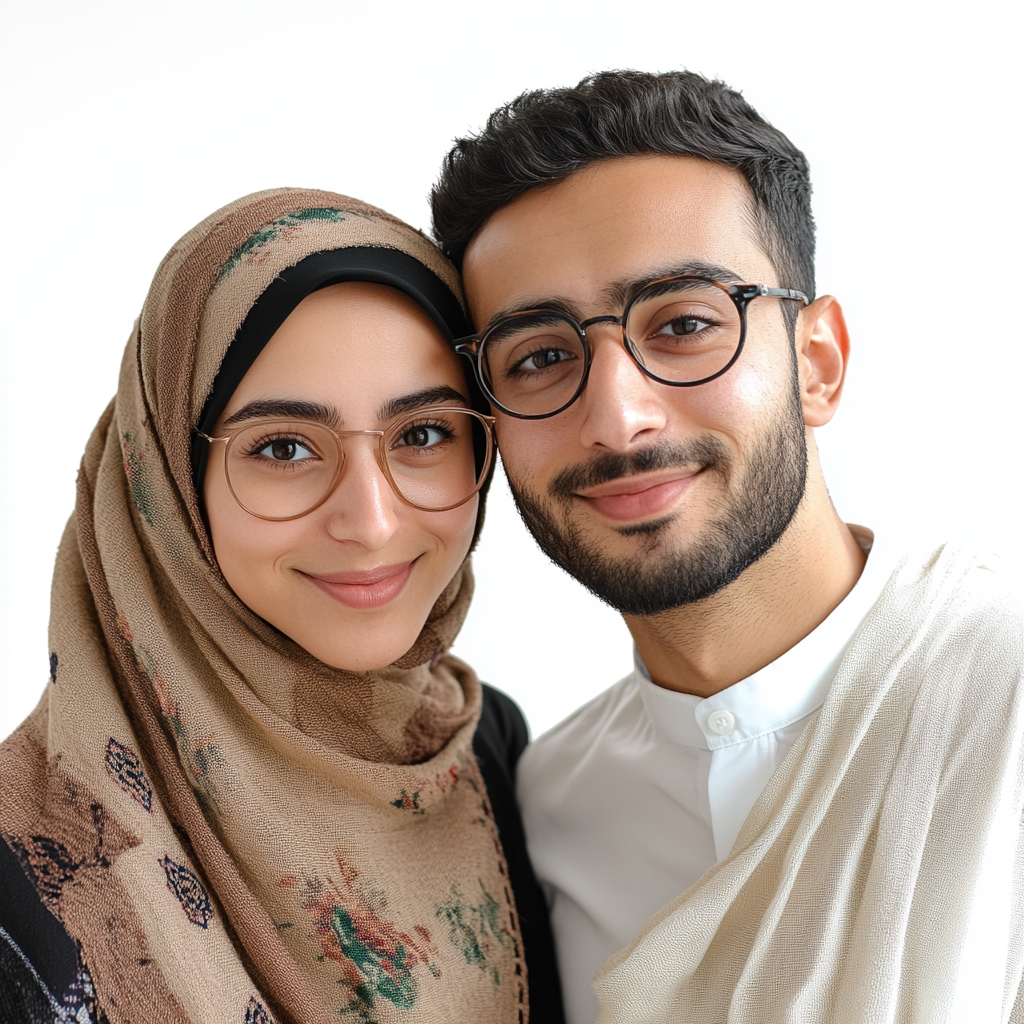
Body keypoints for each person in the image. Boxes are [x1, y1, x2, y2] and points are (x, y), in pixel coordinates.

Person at [430, 71, 1024, 1024]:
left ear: (817, 364)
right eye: (540, 356)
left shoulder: (1005, 701)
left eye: (685, 324)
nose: (618, 419)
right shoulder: (543, 806)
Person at [0, 188, 563, 1024]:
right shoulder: (27, 869)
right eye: (284, 448)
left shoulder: (486, 751)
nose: (372, 522)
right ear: (165, 479)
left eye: (423, 434)